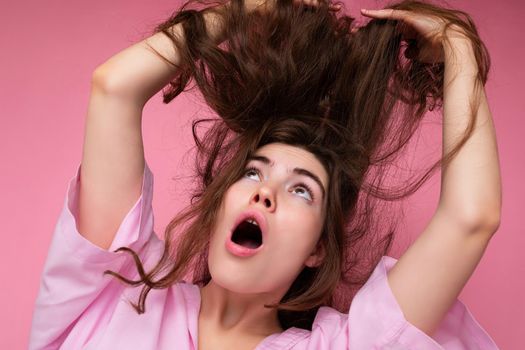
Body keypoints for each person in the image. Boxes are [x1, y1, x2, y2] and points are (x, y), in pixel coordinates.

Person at [29, 0, 502, 348]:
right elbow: (114, 89)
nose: (266, 193)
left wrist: (458, 46)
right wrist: (240, 12)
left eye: (301, 189)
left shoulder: (347, 345)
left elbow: (471, 218)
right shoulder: (118, 289)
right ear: (223, 205)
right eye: (254, 174)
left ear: (318, 248)